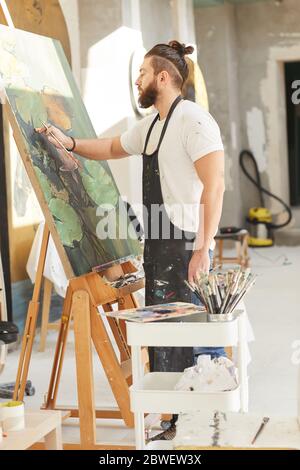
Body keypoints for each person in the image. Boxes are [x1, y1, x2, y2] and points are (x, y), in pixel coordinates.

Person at [36, 40, 225, 373]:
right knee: (163, 341)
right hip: (158, 248)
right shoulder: (150, 126)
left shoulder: (194, 121)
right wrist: (70, 143)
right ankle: (173, 418)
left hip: (187, 247)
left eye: (143, 72)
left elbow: (215, 185)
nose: (138, 80)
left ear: (163, 78)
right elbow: (110, 146)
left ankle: (200, 421)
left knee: (194, 337)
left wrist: (203, 249)